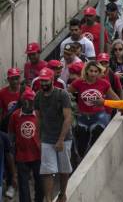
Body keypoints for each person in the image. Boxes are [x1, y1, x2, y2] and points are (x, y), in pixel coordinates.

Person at [34, 68, 72, 202]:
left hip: (64, 138)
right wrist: (38, 138)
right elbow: (38, 118)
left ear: (52, 80)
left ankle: (62, 193)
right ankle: (49, 199)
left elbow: (68, 118)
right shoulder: (38, 96)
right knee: (47, 170)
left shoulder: (62, 95)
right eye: (41, 81)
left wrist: (61, 139)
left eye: (46, 81)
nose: (43, 84)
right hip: (47, 138)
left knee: (63, 168)